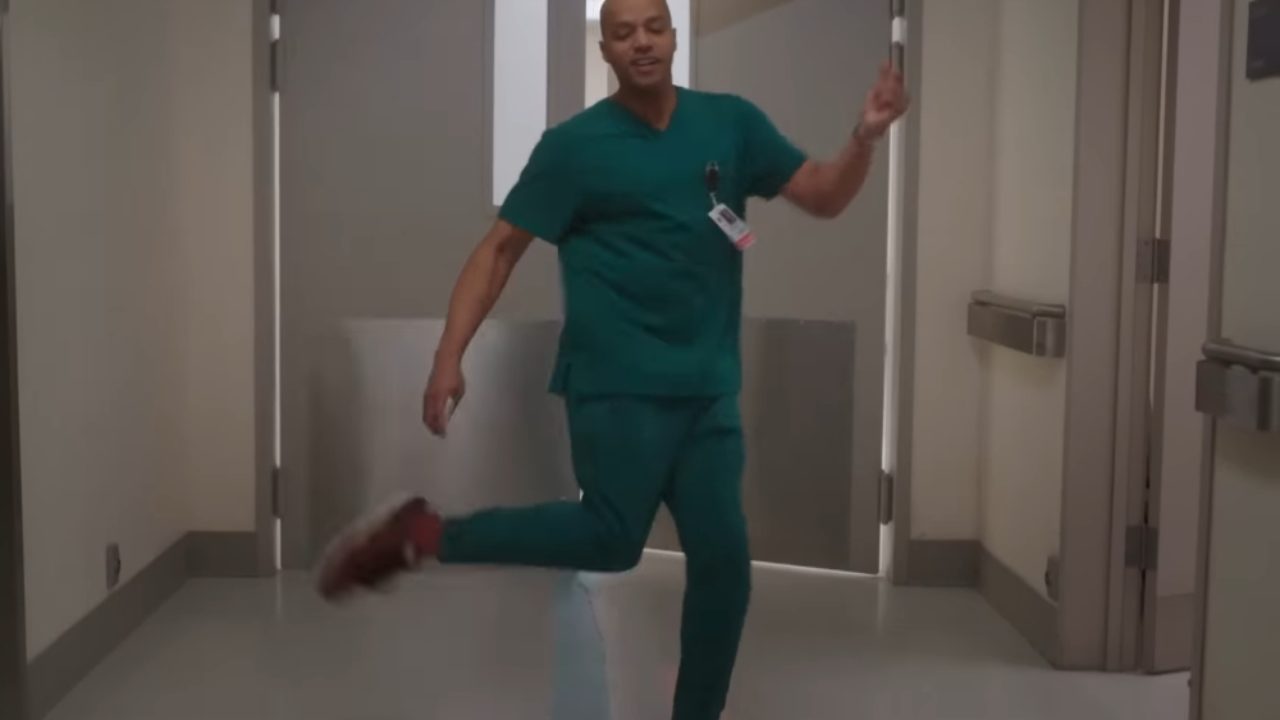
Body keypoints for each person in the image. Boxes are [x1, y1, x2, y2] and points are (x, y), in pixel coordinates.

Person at [316, 0, 908, 716]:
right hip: (616, 386)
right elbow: (499, 251)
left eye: (654, 27)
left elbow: (822, 194)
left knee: (725, 569)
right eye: (623, 33)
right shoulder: (575, 147)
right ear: (606, 50)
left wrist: (865, 137)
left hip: (708, 391)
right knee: (610, 541)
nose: (642, 43)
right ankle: (425, 535)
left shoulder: (730, 123)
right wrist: (449, 354)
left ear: (674, 35)